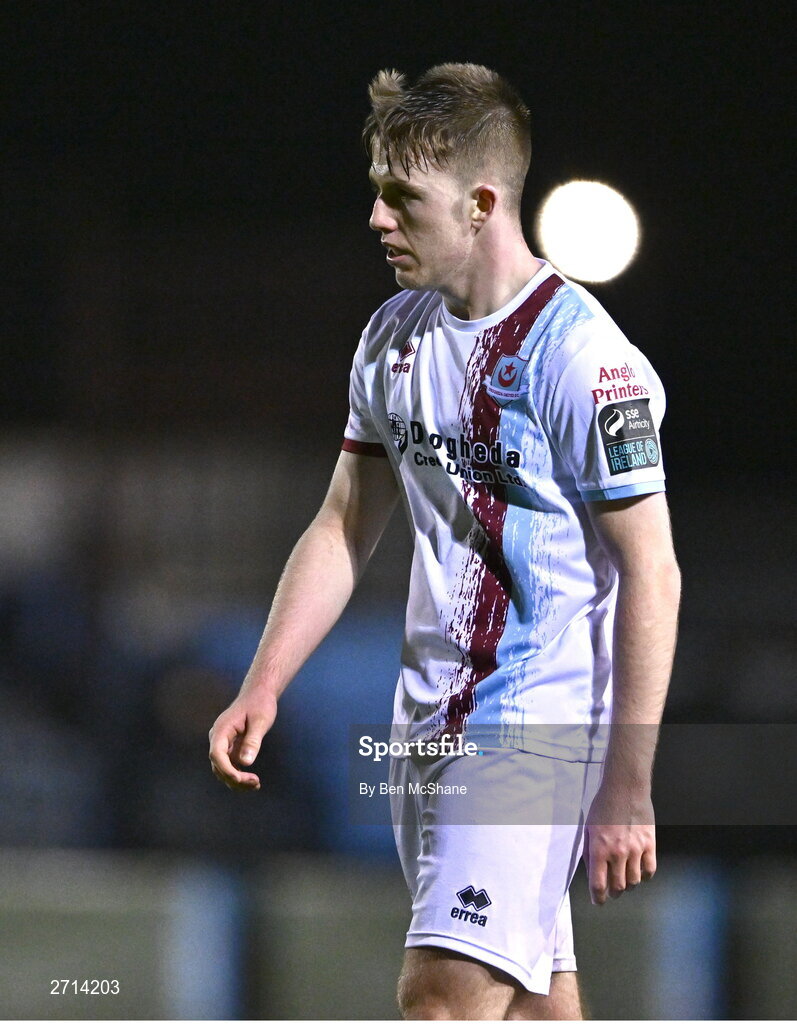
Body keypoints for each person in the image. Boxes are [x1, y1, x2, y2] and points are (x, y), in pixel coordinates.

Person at [209, 63, 681, 1020]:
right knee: (535, 1005)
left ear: (479, 201)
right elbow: (343, 522)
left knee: (439, 999)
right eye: (376, 194)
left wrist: (627, 779)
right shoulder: (393, 339)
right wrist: (263, 681)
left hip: (533, 731)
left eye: (400, 198)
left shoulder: (584, 358)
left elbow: (651, 570)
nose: (378, 221)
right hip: (427, 724)